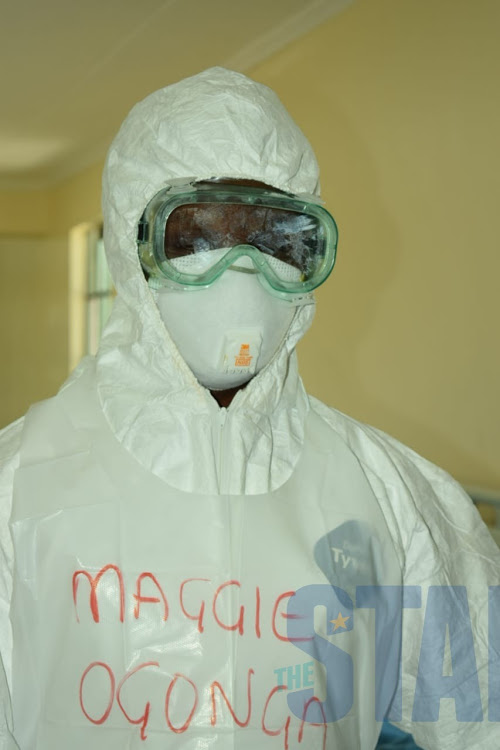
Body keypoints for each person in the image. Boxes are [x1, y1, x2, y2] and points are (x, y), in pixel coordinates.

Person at [0, 67, 498, 750]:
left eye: (274, 239)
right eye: (198, 236)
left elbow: (478, 717)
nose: (240, 268)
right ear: (131, 243)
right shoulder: (19, 486)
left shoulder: (396, 498)